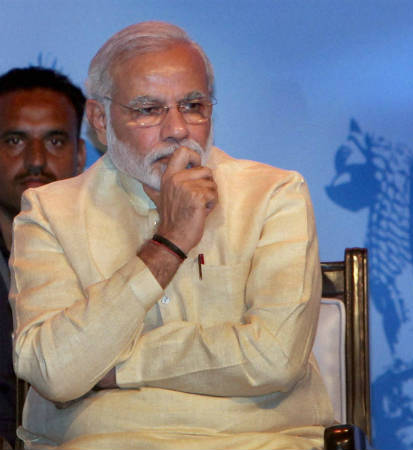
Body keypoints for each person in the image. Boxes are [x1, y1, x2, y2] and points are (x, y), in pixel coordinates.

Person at [10, 21, 334, 449]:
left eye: (193, 105)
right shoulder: (49, 212)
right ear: (100, 121)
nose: (178, 129)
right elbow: (55, 371)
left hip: (258, 440)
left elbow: (274, 357)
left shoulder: (274, 195)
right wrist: (169, 243)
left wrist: (114, 366)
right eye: (149, 109)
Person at [0, 67, 86, 448]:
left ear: (81, 155)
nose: (35, 160)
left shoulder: (119, 255)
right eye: (15, 140)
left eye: (54, 141)